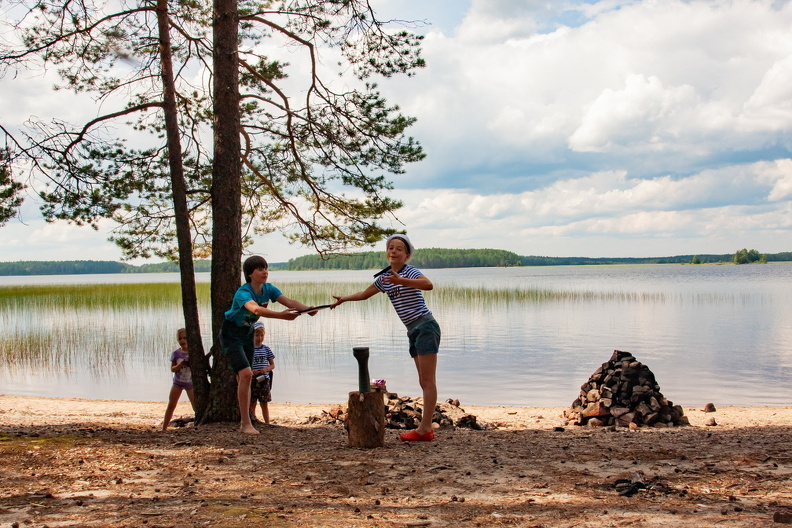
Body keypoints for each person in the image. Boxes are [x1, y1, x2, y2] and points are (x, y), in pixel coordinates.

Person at [331, 234, 441, 442]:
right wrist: (344, 299)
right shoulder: (384, 278)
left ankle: (425, 428)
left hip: (426, 326)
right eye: (391, 248)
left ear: (407, 255)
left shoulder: (410, 271)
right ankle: (425, 427)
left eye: (399, 249)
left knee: (428, 380)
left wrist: (402, 280)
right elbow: (365, 294)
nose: (393, 251)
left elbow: (428, 285)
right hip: (413, 330)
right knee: (422, 380)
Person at [220, 255, 316, 435]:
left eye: (265, 268)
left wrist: (306, 309)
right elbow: (256, 309)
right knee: (246, 374)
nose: (265, 272)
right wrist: (282, 316)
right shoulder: (243, 292)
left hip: (248, 333)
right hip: (231, 333)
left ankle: (245, 421)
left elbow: (289, 302)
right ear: (250, 274)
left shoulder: (269, 289)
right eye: (259, 269)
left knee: (244, 378)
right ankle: (245, 423)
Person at [161, 328, 195, 431]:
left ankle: (198, 425)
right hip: (177, 383)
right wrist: (180, 364)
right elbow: (173, 369)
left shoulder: (194, 352)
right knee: (171, 405)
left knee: (196, 406)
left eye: (185, 338)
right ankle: (164, 428)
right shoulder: (176, 353)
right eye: (180, 339)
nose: (182, 341)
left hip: (190, 385)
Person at [249, 321, 276, 424]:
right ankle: (253, 420)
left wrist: (266, 369)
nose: (259, 338)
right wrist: (252, 371)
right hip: (253, 379)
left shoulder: (266, 349)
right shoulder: (250, 349)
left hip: (264, 380)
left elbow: (272, 365)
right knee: (252, 402)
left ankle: (267, 422)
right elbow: (246, 364)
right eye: (257, 335)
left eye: (261, 335)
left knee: (264, 403)